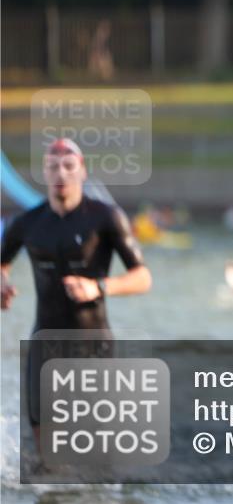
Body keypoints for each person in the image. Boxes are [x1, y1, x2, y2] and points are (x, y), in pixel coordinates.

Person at [0, 138, 152, 448]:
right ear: (44, 172)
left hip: (93, 347)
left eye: (69, 167)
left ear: (82, 171)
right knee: (46, 454)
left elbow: (143, 277)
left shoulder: (105, 217)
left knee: (94, 453)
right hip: (45, 344)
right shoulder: (28, 223)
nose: (61, 174)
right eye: (53, 167)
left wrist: (99, 286)